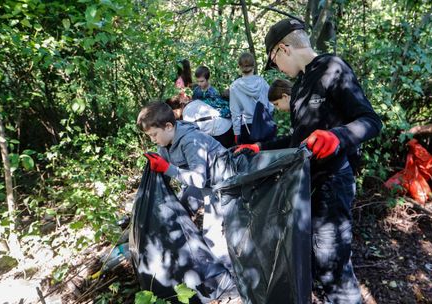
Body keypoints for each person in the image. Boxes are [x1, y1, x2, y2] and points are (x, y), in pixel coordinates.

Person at [237, 19, 382, 303]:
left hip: (333, 181)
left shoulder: (332, 68)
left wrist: (337, 138)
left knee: (332, 264)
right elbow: (296, 141)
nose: (277, 69)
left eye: (274, 61)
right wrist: (260, 147)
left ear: (283, 49)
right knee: (316, 257)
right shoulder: (301, 85)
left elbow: (371, 121)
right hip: (306, 185)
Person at [136, 101, 231, 267]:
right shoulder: (165, 144)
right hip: (203, 183)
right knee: (178, 210)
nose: (153, 140)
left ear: (168, 126)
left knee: (213, 236)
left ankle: (230, 275)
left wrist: (167, 168)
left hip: (221, 184)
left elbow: (199, 179)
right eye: (150, 136)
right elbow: (165, 174)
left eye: (154, 135)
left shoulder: (190, 140)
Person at [229, 52, 273, 144]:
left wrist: (236, 133)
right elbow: (271, 105)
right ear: (254, 65)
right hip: (264, 124)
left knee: (249, 157)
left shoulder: (235, 86)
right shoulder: (262, 82)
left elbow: (235, 113)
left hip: (246, 128)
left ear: (240, 67)